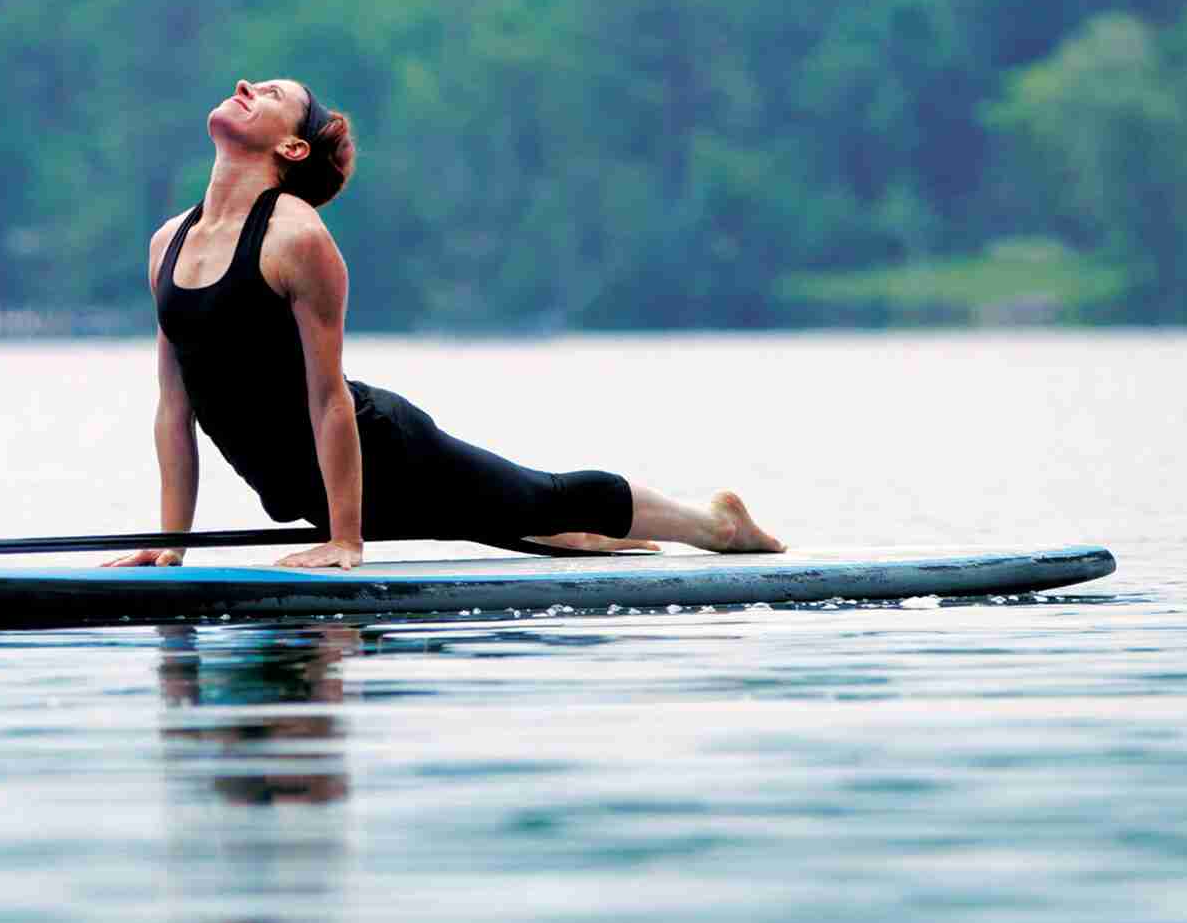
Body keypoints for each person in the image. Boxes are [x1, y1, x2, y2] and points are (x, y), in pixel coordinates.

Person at [107, 77, 787, 569]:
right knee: (531, 527)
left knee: (538, 501)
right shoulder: (168, 241)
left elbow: (327, 398)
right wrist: (174, 543)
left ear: (290, 149)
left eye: (274, 95)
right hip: (306, 490)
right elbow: (175, 406)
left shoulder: (296, 239)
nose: (245, 85)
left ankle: (714, 524)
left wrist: (347, 542)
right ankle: (589, 536)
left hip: (383, 456)